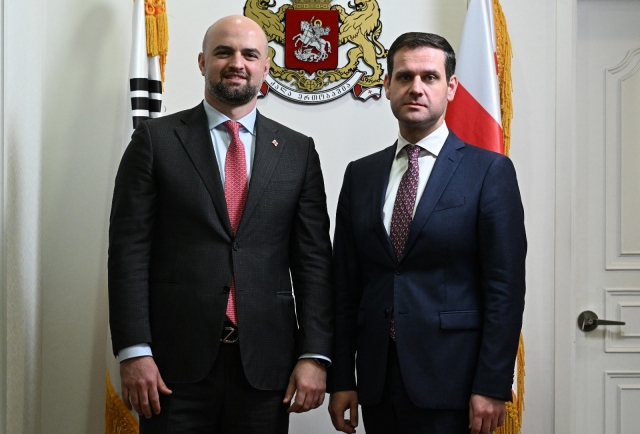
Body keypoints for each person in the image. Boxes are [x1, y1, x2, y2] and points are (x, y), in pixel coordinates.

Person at [108, 15, 333, 434]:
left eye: (250, 54)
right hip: (170, 370)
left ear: (266, 66)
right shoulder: (155, 142)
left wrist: (315, 354)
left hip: (266, 369)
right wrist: (134, 351)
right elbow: (128, 253)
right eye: (224, 52)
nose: (237, 63)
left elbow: (314, 263)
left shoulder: (298, 152)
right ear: (201, 62)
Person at [327, 32, 526, 434]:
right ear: (386, 86)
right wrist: (342, 378)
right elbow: (345, 286)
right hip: (379, 381)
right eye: (404, 77)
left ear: (450, 87)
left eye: (430, 77)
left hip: (457, 382)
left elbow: (505, 288)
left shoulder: (489, 171)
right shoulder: (360, 174)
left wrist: (492, 384)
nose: (416, 88)